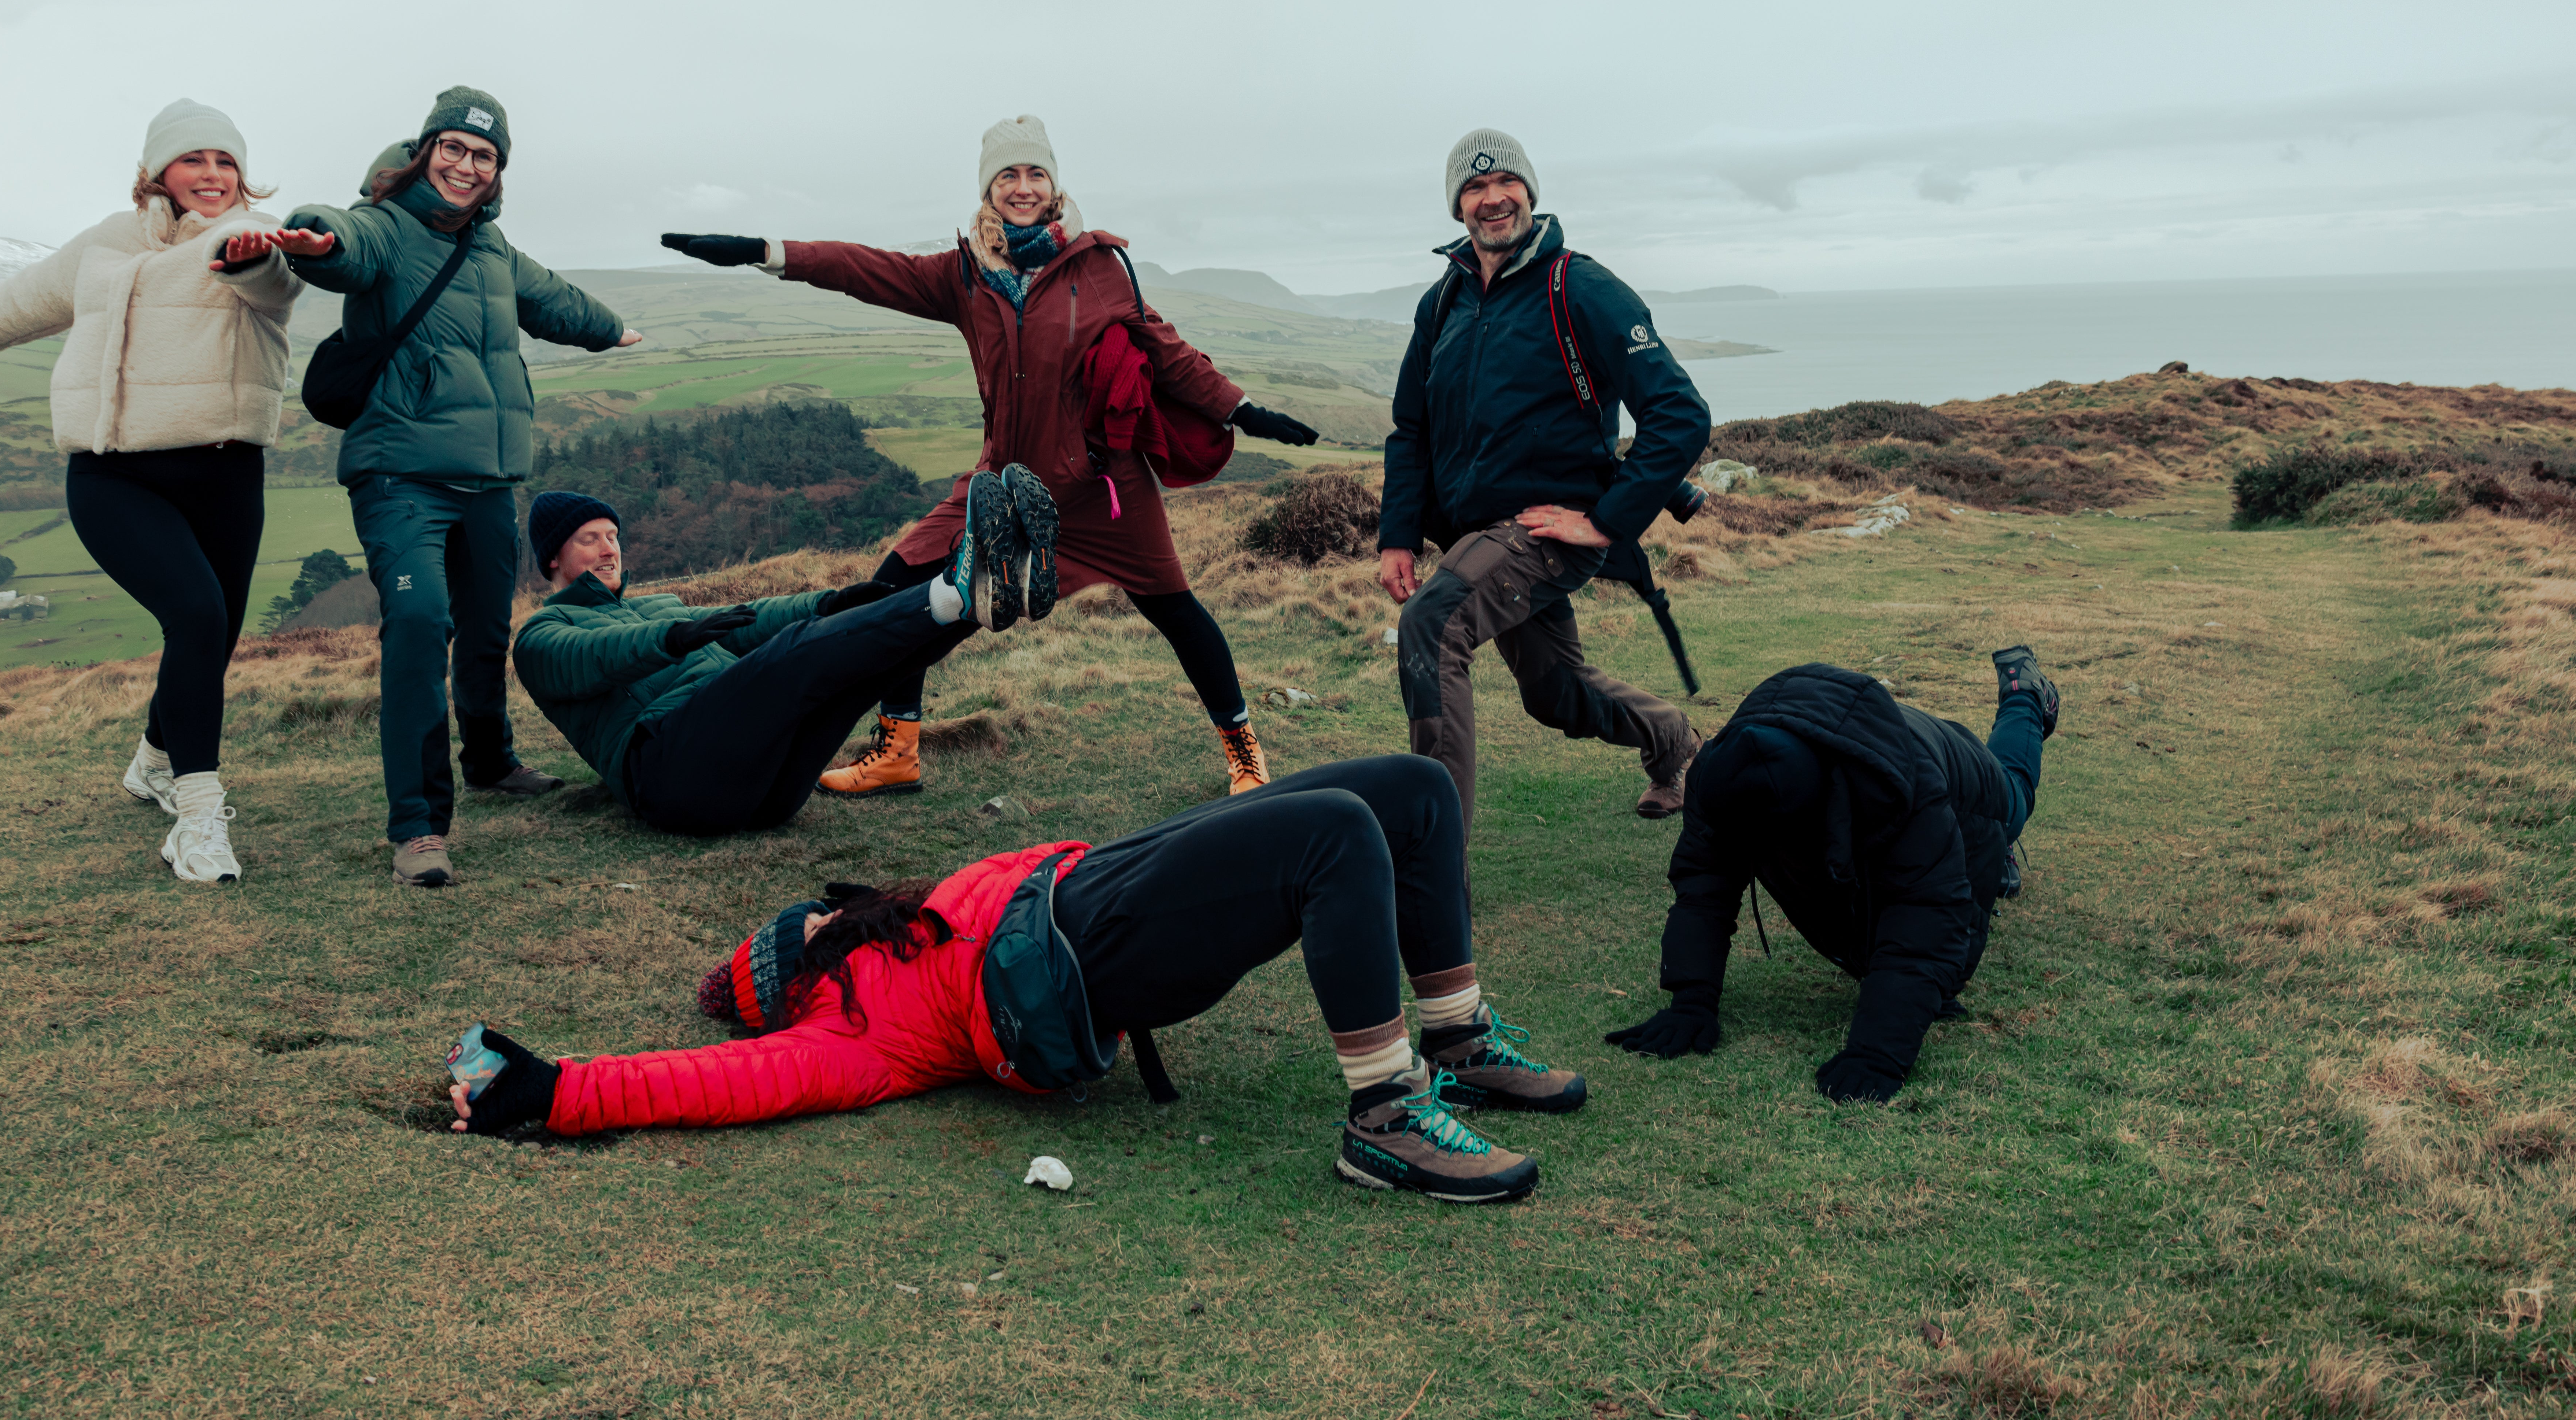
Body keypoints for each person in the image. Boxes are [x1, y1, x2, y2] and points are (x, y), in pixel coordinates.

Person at [439, 755, 1589, 1203]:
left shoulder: (902, 916)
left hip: (1095, 881)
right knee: (1337, 831)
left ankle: (1458, 1039)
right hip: (1070, 963)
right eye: (809, 934)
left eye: (820, 920)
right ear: (798, 974)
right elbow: (719, 1082)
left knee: (1413, 790)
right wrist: (553, 1092)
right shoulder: (847, 1033)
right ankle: (1385, 1119)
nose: (827, 923)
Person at [660, 114, 1320, 800]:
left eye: (1036, 173)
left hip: (1101, 488)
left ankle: (1243, 748)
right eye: (1009, 174)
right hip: (999, 485)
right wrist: (767, 251)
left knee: (1177, 611)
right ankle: (897, 748)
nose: (1023, 186)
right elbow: (867, 269)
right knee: (896, 590)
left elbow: (1167, 353)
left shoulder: (1099, 268)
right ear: (989, 188)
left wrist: (1241, 410)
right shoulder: (964, 276)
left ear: (1055, 186)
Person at [0, 100, 300, 886]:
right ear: (157, 170)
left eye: (225, 162)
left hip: (226, 470)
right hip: (114, 471)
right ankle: (198, 819)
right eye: (194, 160)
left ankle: (154, 762)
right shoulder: (105, 242)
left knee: (213, 632)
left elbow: (271, 280)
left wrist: (256, 257)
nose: (212, 175)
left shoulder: (254, 237)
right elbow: (11, 307)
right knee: (196, 615)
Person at [277, 88, 640, 890]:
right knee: (418, 623)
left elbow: (552, 299)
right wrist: (313, 234)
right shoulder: (388, 225)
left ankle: (490, 761)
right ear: (425, 151)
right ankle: (417, 827)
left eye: (484, 156)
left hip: (485, 477)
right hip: (400, 474)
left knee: (482, 629)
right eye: (454, 149)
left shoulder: (493, 249)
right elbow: (343, 241)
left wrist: (609, 326)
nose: (466, 166)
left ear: (497, 170)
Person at [1379, 127, 1714, 833]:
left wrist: (1605, 520)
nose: (1491, 198)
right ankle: (1675, 743)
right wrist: (1398, 536)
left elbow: (1679, 414)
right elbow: (1411, 428)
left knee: (1432, 624)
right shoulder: (1444, 302)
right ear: (1457, 206)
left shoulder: (1580, 287)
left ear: (1528, 191)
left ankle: (1435, 876)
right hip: (1478, 534)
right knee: (1555, 693)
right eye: (1473, 187)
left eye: (1504, 182)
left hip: (1552, 528)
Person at [1602, 648, 2058, 1103]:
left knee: (2014, 790)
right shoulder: (1721, 773)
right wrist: (1691, 998)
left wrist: (1877, 1052)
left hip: (1965, 793)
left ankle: (2026, 697)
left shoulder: (1909, 792)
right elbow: (1704, 885)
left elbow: (1923, 918)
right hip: (1861, 749)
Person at [509, 479, 1052, 836]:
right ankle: (954, 590)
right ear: (553, 557)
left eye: (613, 537)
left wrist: (828, 603)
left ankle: (982, 602)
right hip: (673, 778)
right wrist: (674, 639)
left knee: (851, 675)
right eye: (590, 540)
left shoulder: (659, 605)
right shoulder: (542, 635)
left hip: (769, 797)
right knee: (790, 658)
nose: (610, 550)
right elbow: (590, 658)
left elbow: (753, 618)